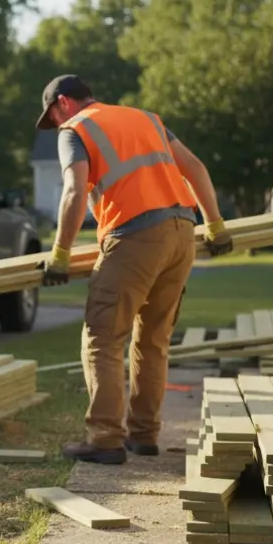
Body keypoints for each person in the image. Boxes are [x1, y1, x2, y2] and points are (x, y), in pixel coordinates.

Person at [34, 74, 232, 465]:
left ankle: (105, 439)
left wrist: (59, 252)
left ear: (62, 103)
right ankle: (144, 435)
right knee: (153, 340)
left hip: (135, 236)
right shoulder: (146, 119)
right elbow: (194, 166)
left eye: (52, 117)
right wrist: (216, 224)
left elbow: (74, 191)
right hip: (181, 234)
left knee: (102, 338)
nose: (55, 125)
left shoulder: (74, 129)